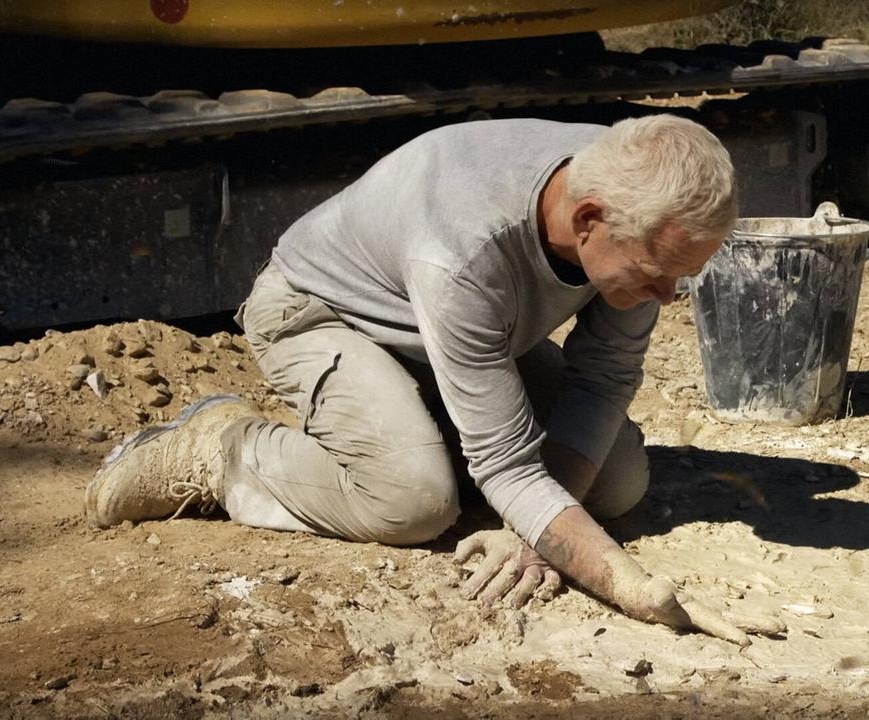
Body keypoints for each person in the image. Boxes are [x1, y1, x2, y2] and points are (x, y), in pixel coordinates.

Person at [86, 114, 777, 645]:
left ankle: (423, 432)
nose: (667, 298)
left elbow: (603, 379)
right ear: (588, 220)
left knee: (620, 480)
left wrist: (531, 528)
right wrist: (627, 584)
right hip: (325, 314)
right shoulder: (466, 251)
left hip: (465, 334)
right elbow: (508, 465)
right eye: (657, 274)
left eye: (682, 277)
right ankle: (220, 449)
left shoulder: (638, 182)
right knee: (413, 501)